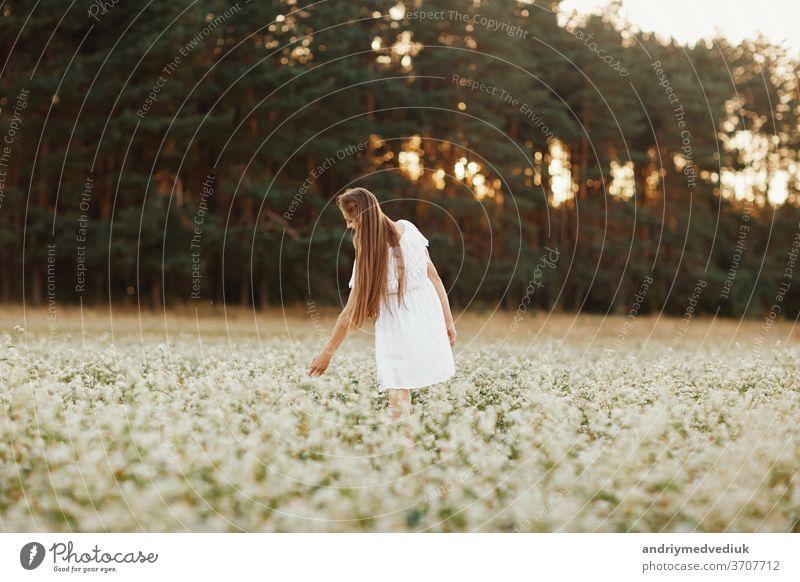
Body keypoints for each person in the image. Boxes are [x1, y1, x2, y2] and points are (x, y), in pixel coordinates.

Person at [308, 187, 456, 421]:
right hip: (426, 314)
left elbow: (348, 316)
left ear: (360, 219)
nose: (348, 226)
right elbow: (434, 277)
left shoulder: (368, 258)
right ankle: (406, 442)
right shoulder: (409, 229)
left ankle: (402, 443)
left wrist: (326, 354)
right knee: (404, 385)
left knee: (397, 387)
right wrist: (448, 321)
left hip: (395, 325)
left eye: (349, 221)